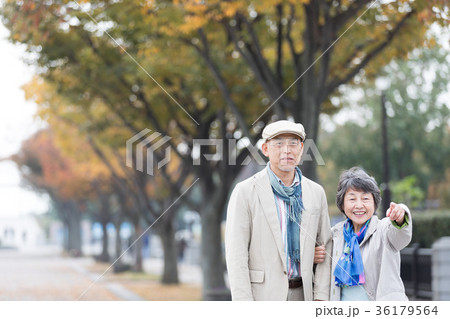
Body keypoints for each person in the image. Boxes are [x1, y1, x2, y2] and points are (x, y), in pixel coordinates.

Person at [225, 120, 332, 301]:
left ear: (301, 149)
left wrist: (321, 296)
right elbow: (236, 255)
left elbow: (325, 246)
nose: (287, 150)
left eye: (293, 143)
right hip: (263, 296)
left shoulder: (316, 192)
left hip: (305, 295)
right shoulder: (245, 192)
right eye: (279, 143)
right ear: (266, 149)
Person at [330, 167, 412, 301]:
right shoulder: (334, 236)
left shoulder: (383, 230)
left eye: (365, 198)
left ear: (374, 203)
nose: (359, 205)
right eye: (352, 199)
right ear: (342, 204)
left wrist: (401, 215)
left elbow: (400, 234)